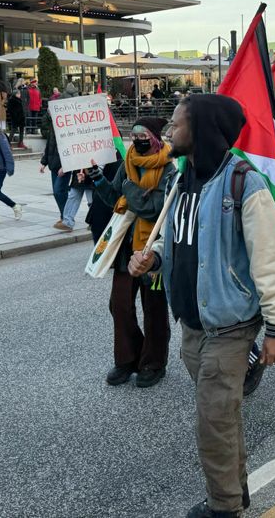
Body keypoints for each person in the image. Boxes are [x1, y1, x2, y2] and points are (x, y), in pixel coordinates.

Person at [127, 95, 275, 518]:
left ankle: (224, 508)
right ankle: (235, 494)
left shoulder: (244, 184)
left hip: (229, 328)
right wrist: (155, 256)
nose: (168, 133)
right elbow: (179, 239)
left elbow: (271, 258)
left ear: (201, 131)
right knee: (223, 420)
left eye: (177, 125)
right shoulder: (182, 181)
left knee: (212, 424)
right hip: (193, 326)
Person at [91, 117, 175, 387]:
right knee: (120, 305)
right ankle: (128, 358)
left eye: (143, 136)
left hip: (152, 249)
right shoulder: (127, 162)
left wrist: (129, 186)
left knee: (154, 310)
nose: (137, 140)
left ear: (155, 138)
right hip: (126, 247)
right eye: (134, 135)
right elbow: (115, 198)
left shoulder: (169, 168)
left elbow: (153, 208)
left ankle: (154, 362)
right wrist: (97, 179)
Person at [40, 115, 70, 221]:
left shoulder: (68, 126)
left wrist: (65, 166)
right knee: (58, 192)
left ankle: (66, 217)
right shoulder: (53, 125)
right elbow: (49, 145)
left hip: (64, 167)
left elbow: (70, 148)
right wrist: (44, 163)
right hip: (53, 165)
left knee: (59, 191)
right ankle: (65, 215)